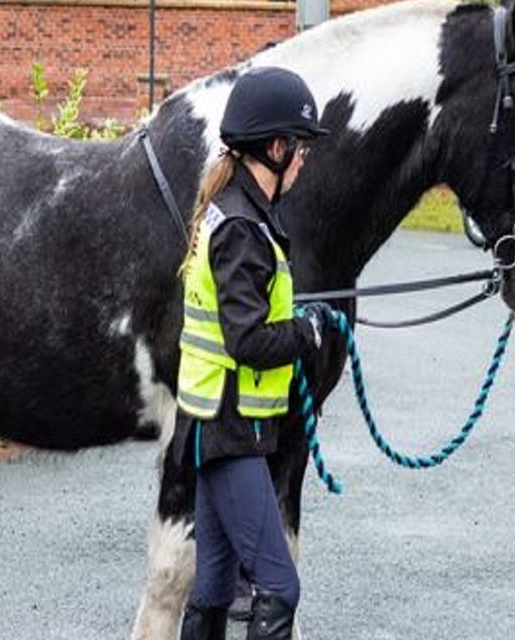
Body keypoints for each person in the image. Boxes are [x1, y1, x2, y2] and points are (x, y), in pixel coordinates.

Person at [174, 66, 332, 640]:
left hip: (214, 422)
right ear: (275, 148)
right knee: (279, 587)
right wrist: (307, 332)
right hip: (230, 429)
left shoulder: (238, 212)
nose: (305, 160)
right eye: (301, 148)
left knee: (214, 588)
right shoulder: (242, 228)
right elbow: (248, 341)